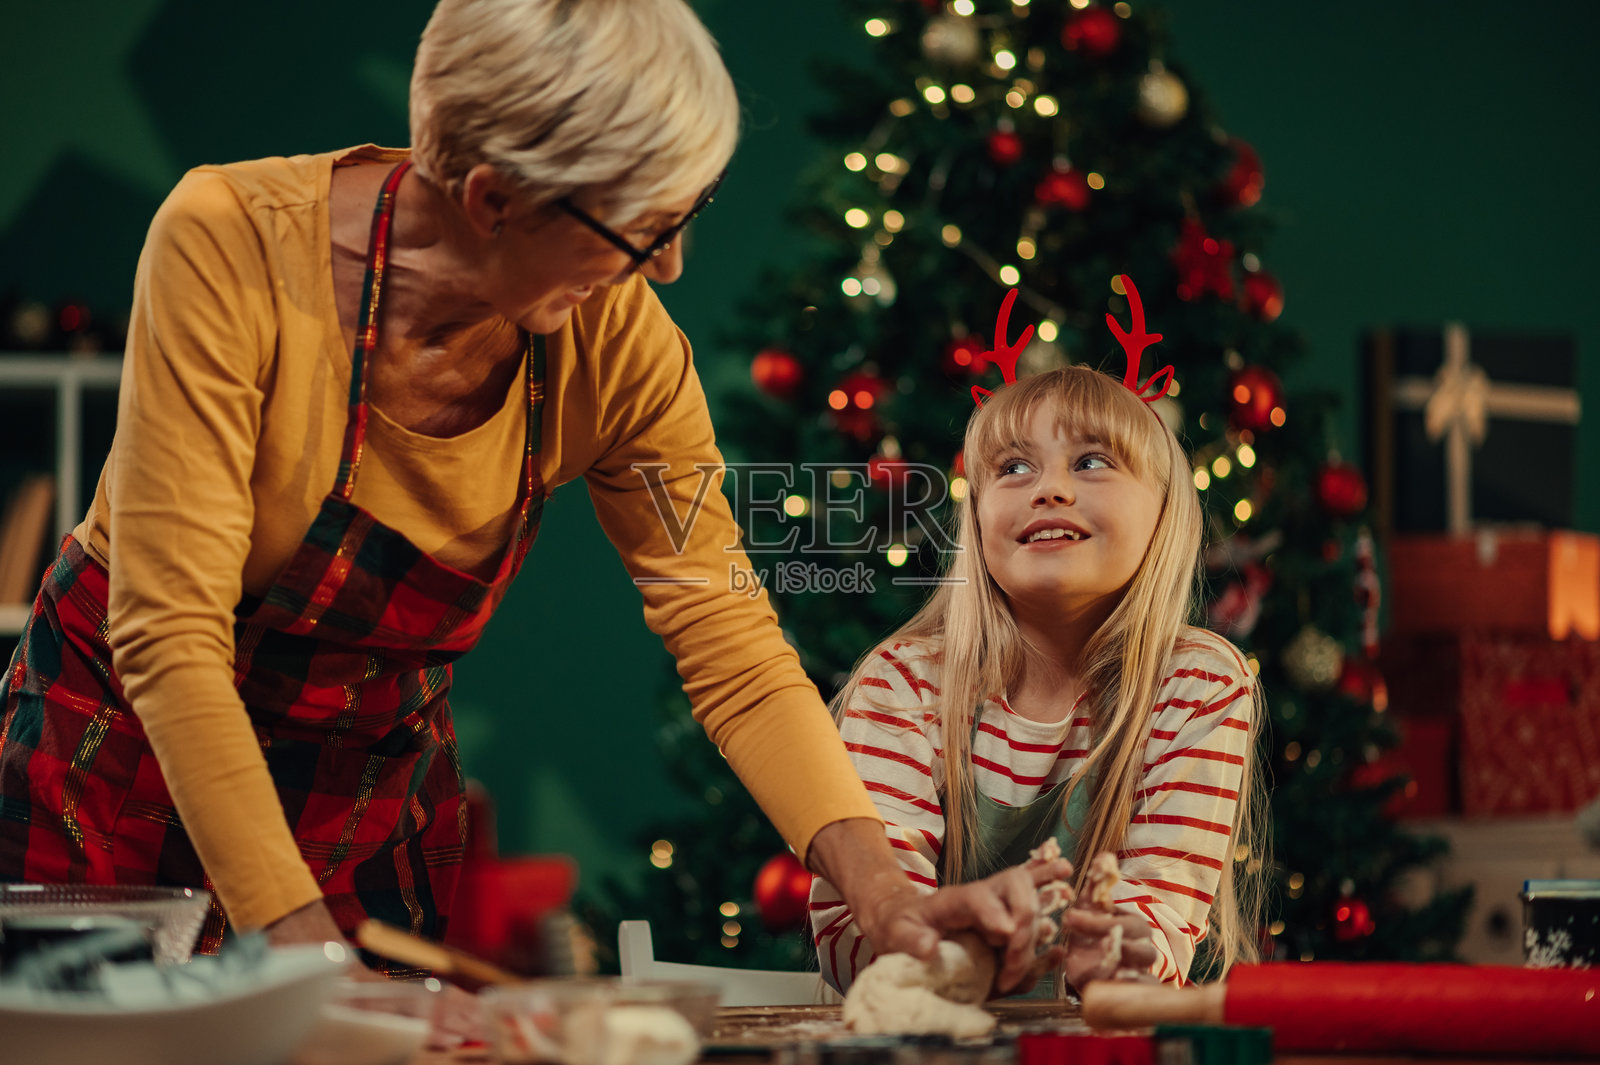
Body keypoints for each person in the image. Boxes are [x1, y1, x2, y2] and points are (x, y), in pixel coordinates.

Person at [0, 0, 1056, 1002]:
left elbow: (726, 633)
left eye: (686, 216)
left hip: (356, 801)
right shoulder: (230, 241)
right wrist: (300, 949)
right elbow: (170, 636)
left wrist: (885, 897)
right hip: (120, 773)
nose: (673, 266)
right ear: (492, 196)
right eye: (642, 228)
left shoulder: (619, 343)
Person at [810, 363, 1268, 995]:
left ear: (1164, 513)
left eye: (1092, 461)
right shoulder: (902, 686)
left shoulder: (1198, 685)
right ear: (975, 520)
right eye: (1013, 468)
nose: (1049, 489)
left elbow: (1162, 921)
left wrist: (1123, 953)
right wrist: (959, 948)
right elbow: (849, 934)